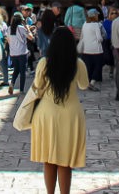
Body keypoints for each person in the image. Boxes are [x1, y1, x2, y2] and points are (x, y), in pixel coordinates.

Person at [30, 26, 89, 194]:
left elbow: (37, 86)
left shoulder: (44, 63)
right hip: (70, 114)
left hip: (46, 113)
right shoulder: (78, 64)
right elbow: (84, 85)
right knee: (65, 160)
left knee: (48, 159)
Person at [79, 9, 104, 90]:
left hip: (86, 49)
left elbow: (82, 37)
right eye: (96, 15)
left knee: (88, 66)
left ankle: (86, 82)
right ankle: (92, 82)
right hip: (96, 50)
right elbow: (99, 38)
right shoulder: (96, 25)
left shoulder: (84, 24)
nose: (97, 16)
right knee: (98, 66)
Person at [8, 11, 33, 94]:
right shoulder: (21, 28)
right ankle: (21, 90)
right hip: (22, 53)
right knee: (22, 72)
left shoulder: (9, 28)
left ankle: (12, 84)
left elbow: (8, 41)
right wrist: (28, 28)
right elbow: (31, 38)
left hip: (13, 53)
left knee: (16, 70)